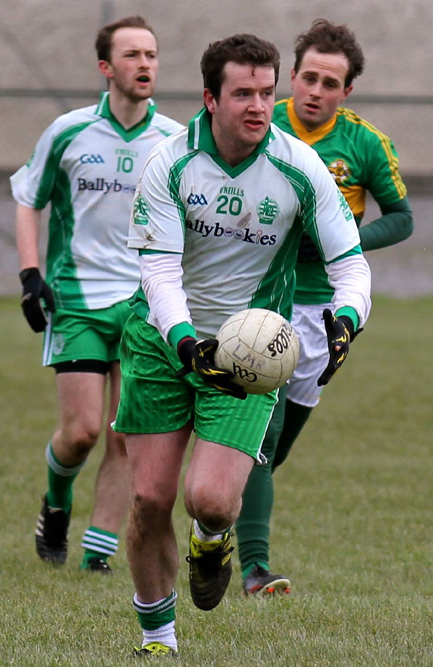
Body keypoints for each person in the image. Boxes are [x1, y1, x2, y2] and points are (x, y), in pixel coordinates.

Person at [112, 32, 371, 657]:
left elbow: (351, 263)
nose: (259, 105)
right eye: (243, 94)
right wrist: (181, 341)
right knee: (149, 498)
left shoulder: (298, 167)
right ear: (210, 98)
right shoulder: (169, 164)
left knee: (212, 500)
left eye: (266, 91)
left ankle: (212, 536)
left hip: (250, 349)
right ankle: (159, 637)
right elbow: (160, 273)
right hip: (159, 340)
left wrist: (345, 319)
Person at [235, 18, 413, 596]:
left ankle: (216, 510)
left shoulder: (364, 143)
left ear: (347, 92)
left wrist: (346, 238)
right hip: (262, 299)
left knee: (273, 450)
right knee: (263, 430)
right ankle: (254, 568)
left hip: (325, 308)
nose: (315, 91)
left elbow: (402, 217)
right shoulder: (263, 126)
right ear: (292, 76)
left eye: (329, 83)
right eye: (308, 77)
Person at [10, 16, 183, 574]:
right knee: (83, 432)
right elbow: (27, 196)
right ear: (106, 67)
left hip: (142, 302)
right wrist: (30, 274)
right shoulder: (68, 130)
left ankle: (97, 555)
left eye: (152, 55)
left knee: (124, 436)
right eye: (132, 55)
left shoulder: (175, 142)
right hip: (77, 296)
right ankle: (56, 502)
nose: (145, 64)